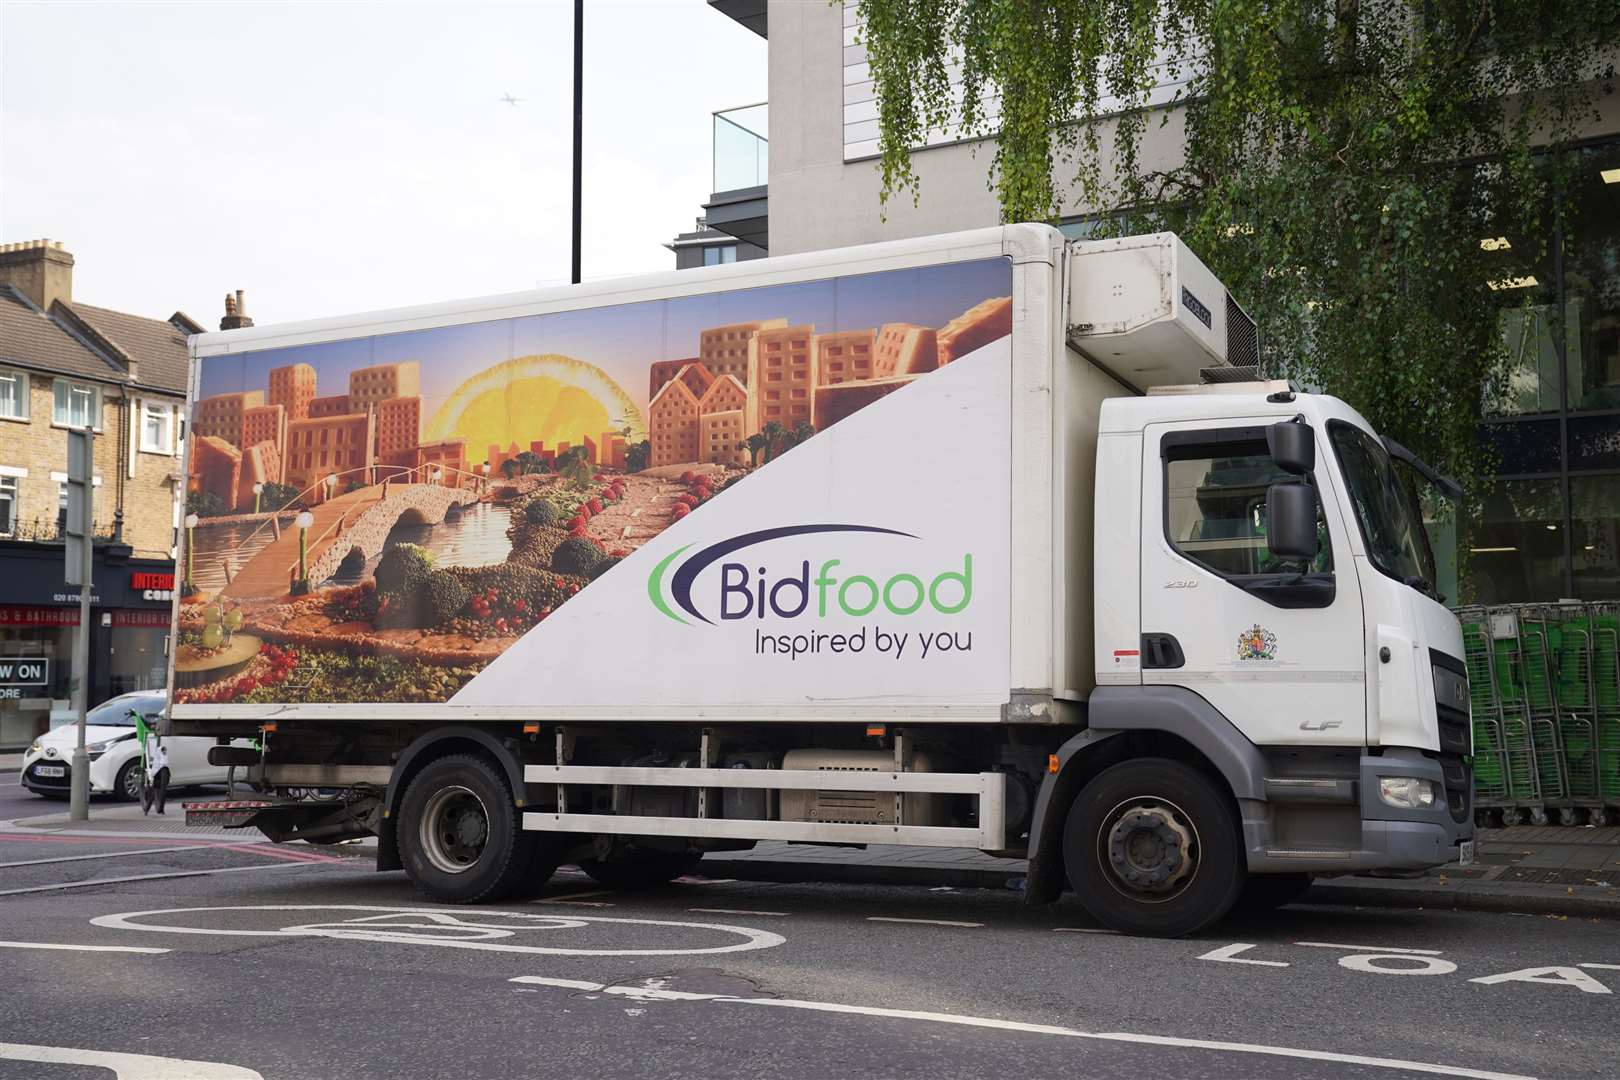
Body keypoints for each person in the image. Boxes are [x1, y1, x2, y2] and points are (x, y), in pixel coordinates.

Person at [142, 732, 170, 816]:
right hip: (157, 772)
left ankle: (158, 808)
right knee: (153, 791)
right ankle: (150, 808)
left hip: (160, 771)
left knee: (159, 790)